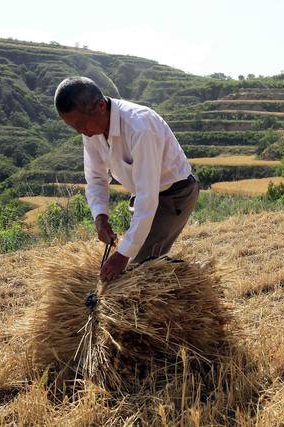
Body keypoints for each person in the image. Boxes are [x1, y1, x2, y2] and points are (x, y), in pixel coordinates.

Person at [54, 76, 199, 282]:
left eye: (81, 124)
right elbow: (96, 177)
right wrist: (100, 218)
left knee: (140, 268)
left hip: (175, 194)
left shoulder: (140, 127)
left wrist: (122, 256)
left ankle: (193, 282)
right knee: (140, 263)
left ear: (101, 106)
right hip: (146, 195)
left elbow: (147, 197)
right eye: (74, 127)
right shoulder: (91, 131)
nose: (80, 132)